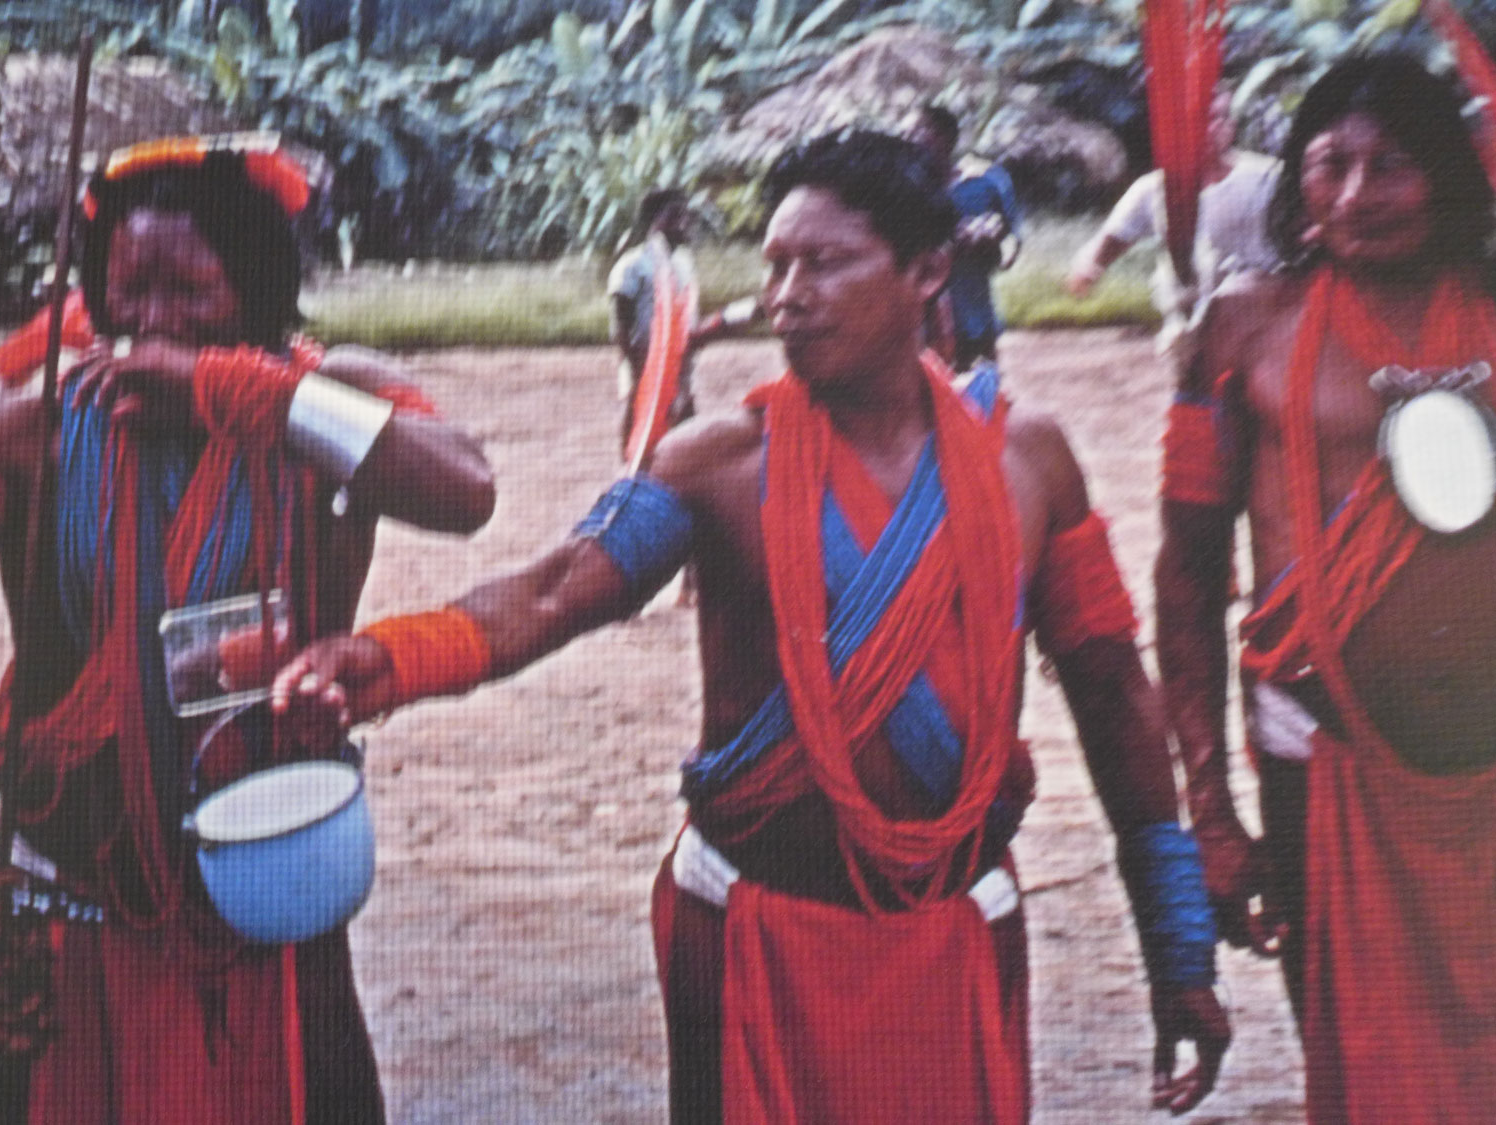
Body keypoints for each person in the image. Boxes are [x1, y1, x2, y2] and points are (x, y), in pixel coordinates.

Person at [275, 129, 1228, 1122]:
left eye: (824, 262)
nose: (788, 295)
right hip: (753, 930)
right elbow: (556, 590)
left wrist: (1177, 945)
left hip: (954, 930)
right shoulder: (716, 462)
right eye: (775, 265)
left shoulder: (1030, 462)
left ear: (928, 270)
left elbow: (1116, 693)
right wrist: (389, 659)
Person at [0, 135, 495, 1123]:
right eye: (127, 293)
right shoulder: (44, 426)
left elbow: (465, 487)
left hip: (264, 870)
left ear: (262, 286)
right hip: (73, 886)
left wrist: (249, 393)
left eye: (194, 292)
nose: (155, 324)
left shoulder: (324, 400)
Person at [1155, 53, 1496, 1122]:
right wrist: (1208, 808)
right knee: (1361, 1073)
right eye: (1328, 164)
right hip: (1322, 756)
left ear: (1447, 174)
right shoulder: (1242, 328)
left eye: (1390, 166)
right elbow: (1187, 573)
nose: (1353, 195)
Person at [1066, 87, 1280, 360]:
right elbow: (1112, 238)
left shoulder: (1267, 178)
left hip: (1259, 316)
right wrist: (1090, 268)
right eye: (1201, 119)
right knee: (1195, 393)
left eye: (1219, 118)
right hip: (1190, 325)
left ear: (1231, 126)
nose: (1211, 128)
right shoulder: (1154, 190)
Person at [909, 104, 1023, 371]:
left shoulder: (986, 180)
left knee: (979, 399)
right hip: (919, 327)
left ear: (944, 138)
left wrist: (990, 240)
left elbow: (1011, 243)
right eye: (906, 133)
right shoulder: (904, 187)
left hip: (974, 318)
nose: (909, 140)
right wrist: (949, 242)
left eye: (917, 132)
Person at [608, 189, 702, 462]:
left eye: (685, 216)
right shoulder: (632, 265)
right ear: (654, 221)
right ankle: (631, 473)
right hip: (643, 361)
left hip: (678, 361)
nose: (683, 223)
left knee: (684, 416)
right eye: (674, 216)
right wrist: (635, 365)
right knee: (639, 413)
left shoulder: (684, 264)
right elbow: (620, 323)